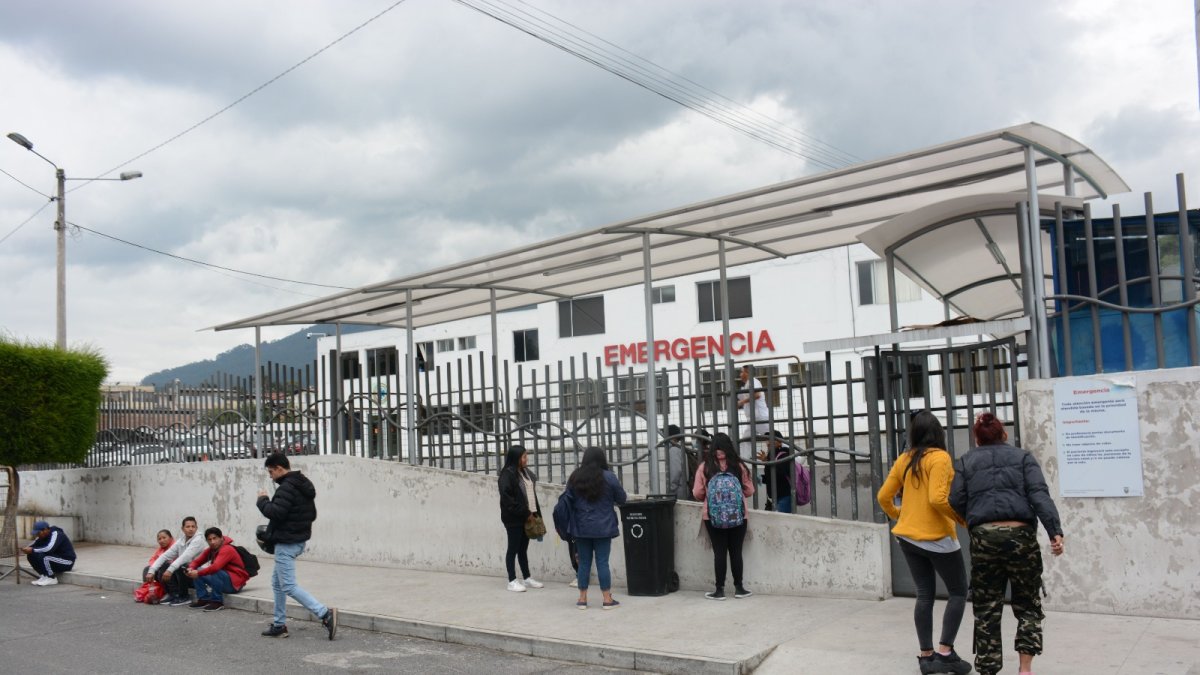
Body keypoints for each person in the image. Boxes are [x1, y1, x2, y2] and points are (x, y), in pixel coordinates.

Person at [950, 412, 1065, 675]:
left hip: (984, 538)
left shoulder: (966, 461)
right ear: (1004, 435)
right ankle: (1025, 670)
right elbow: (1039, 495)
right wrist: (1054, 532)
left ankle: (989, 671)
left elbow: (955, 499)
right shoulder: (1023, 458)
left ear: (977, 439)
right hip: (1020, 538)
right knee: (1027, 605)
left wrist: (976, 516)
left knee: (987, 608)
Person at [876, 411, 971, 675]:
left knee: (925, 593)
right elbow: (938, 499)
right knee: (958, 591)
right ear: (938, 432)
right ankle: (946, 653)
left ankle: (927, 657)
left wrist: (901, 515)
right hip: (936, 537)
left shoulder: (905, 459)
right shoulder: (940, 458)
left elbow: (884, 496)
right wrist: (964, 521)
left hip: (907, 537)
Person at [257, 452, 338, 640]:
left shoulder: (286, 488)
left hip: (286, 543)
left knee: (289, 586)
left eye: (271, 472)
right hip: (296, 540)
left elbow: (275, 513)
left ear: (279, 468)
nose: (270, 476)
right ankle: (279, 625)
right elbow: (311, 514)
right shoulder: (301, 484)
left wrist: (262, 500)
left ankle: (325, 614)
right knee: (277, 584)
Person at [693, 432, 755, 600]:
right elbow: (750, 490)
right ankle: (739, 588)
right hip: (738, 516)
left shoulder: (705, 467)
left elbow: (698, 493)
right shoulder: (738, 466)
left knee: (719, 553)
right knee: (736, 552)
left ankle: (719, 590)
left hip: (712, 517)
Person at [565, 447, 627, 610]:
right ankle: (607, 599)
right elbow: (622, 498)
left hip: (581, 527)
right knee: (602, 562)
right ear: (602, 459)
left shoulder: (575, 477)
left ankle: (582, 599)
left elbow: (568, 500)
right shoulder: (609, 477)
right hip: (603, 527)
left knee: (584, 562)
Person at [497, 444, 545, 592]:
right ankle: (511, 581)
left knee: (523, 549)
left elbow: (530, 494)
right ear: (516, 458)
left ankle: (527, 577)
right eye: (523, 456)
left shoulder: (524, 472)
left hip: (527, 516)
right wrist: (525, 513)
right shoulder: (507, 475)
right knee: (513, 549)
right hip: (514, 518)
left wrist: (534, 513)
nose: (526, 459)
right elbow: (508, 500)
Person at [147, 516, 208, 606]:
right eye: (188, 527)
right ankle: (174, 594)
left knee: (182, 565)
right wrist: (151, 571)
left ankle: (184, 597)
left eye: (193, 526)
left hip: (199, 575)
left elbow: (185, 557)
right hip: (187, 575)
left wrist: (170, 570)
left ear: (196, 528)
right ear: (182, 529)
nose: (191, 529)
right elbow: (166, 555)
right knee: (164, 565)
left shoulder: (198, 540)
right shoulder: (181, 541)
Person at [185, 527, 248, 611]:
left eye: (215, 538)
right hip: (222, 580)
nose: (212, 542)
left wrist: (198, 573)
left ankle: (217, 602)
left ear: (221, 538)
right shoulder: (212, 549)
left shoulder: (227, 549)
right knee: (197, 570)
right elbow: (196, 562)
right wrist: (190, 569)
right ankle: (203, 599)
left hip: (235, 584)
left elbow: (215, 567)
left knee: (214, 571)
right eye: (209, 540)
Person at [22, 520, 76, 586]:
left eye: (38, 533)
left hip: (67, 562)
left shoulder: (57, 534)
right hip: (55, 560)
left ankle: (51, 578)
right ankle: (44, 576)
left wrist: (32, 550)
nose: (38, 535)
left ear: (45, 530)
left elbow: (49, 549)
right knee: (31, 556)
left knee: (44, 557)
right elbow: (32, 546)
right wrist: (26, 549)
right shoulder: (41, 537)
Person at [736, 365, 770, 461]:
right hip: (753, 418)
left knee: (772, 438)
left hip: (759, 417)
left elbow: (757, 395)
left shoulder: (753, 382)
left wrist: (741, 402)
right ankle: (744, 459)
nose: (740, 374)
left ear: (747, 372)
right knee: (745, 439)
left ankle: (796, 458)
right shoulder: (748, 383)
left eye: (742, 372)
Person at [757, 430, 795, 513]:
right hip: (776, 496)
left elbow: (780, 474)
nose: (768, 443)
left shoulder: (784, 454)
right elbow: (771, 477)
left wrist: (767, 462)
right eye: (767, 440)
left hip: (784, 496)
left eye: (772, 440)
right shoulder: (772, 456)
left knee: (782, 523)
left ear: (780, 442)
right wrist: (760, 478)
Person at [135, 529, 175, 604]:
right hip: (163, 570)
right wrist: (152, 570)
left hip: (173, 572)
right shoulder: (161, 549)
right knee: (147, 569)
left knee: (162, 569)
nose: (162, 540)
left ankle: (168, 593)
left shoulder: (174, 547)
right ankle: (147, 590)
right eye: (159, 539)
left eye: (164, 538)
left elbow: (171, 561)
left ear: (171, 538)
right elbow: (152, 560)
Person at [665, 424, 692, 501]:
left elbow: (675, 471)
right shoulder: (680, 448)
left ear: (672, 437)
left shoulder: (673, 450)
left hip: (677, 490)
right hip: (683, 487)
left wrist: (671, 489)